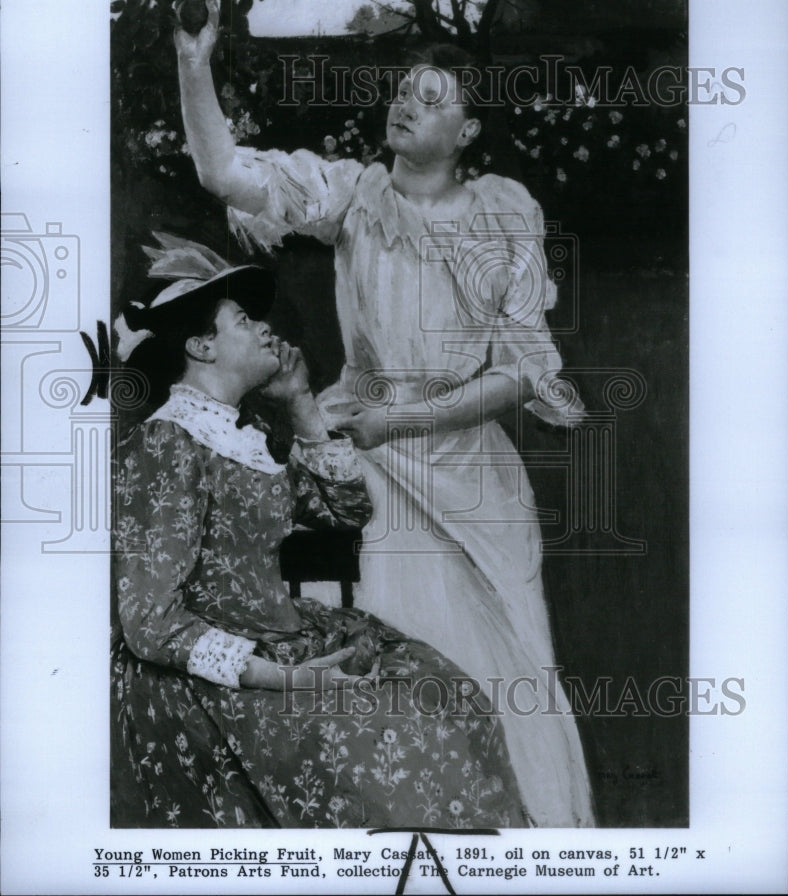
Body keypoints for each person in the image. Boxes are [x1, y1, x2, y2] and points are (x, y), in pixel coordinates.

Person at [174, 0, 595, 827]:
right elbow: (226, 172)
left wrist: (399, 423)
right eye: (405, 92)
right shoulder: (353, 197)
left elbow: (518, 371)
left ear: (469, 131)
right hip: (359, 455)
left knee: (499, 668)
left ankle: (517, 846)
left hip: (466, 473)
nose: (407, 105)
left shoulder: (502, 214)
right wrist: (194, 63)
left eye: (433, 99)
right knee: (385, 660)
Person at [111, 244, 529, 829]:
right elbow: (148, 619)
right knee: (397, 744)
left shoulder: (247, 431)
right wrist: (290, 678)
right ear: (201, 346)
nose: (264, 328)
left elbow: (345, 509)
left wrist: (302, 402)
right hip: (212, 682)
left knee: (451, 702)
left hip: (284, 640)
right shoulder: (166, 444)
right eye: (243, 320)